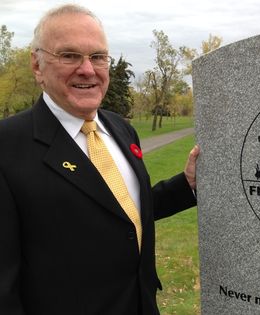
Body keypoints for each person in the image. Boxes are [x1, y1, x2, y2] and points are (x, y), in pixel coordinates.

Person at [0, 4, 199, 315]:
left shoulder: (121, 128)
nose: (87, 70)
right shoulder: (7, 146)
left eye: (97, 57)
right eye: (69, 56)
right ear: (37, 65)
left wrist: (187, 185)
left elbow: (123, 212)